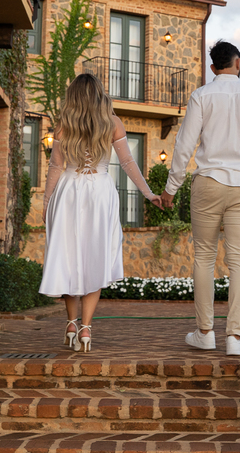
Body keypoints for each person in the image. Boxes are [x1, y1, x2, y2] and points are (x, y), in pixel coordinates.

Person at [161, 40, 240, 356]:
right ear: (238, 63)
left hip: (208, 184)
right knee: (239, 259)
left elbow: (184, 145)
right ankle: (235, 338)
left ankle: (205, 333)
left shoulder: (201, 96)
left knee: (204, 256)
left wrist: (171, 188)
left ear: (213, 67)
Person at [38, 73, 163, 353]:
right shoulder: (113, 123)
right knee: (96, 256)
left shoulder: (64, 125)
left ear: (73, 96)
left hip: (68, 191)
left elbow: (56, 167)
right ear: (99, 93)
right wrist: (148, 193)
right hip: (100, 191)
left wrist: (47, 203)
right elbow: (128, 162)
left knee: (68, 257)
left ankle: (71, 323)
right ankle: (86, 328)